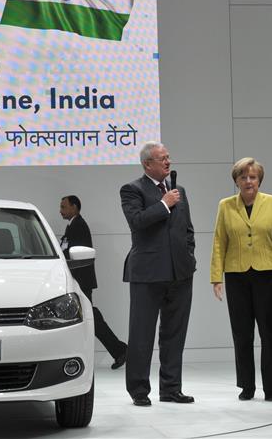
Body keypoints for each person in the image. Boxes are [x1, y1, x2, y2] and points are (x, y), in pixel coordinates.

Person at [210, 158, 272, 402]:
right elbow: (218, 241)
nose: (248, 181)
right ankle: (247, 385)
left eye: (253, 177)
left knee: (269, 332)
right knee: (242, 333)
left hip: (268, 274)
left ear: (259, 180)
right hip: (236, 275)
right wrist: (216, 277)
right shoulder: (225, 205)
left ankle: (270, 387)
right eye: (243, 177)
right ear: (236, 180)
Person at [120, 141, 196, 407]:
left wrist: (189, 256)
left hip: (180, 274)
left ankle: (171, 389)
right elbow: (137, 222)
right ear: (147, 164)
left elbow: (187, 230)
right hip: (147, 274)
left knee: (175, 334)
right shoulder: (132, 190)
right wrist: (164, 205)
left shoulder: (179, 191)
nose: (168, 162)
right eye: (162, 158)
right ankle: (139, 391)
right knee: (142, 334)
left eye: (168, 158)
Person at [59, 195, 127, 369]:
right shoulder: (73, 226)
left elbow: (75, 256)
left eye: (64, 207)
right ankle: (120, 350)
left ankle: (120, 350)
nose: (61, 211)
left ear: (74, 207)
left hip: (80, 282)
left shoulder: (79, 226)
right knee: (92, 316)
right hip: (78, 282)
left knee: (92, 317)